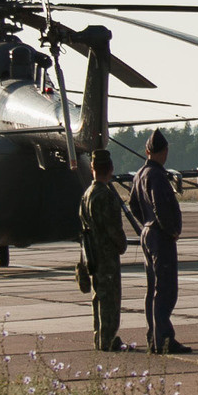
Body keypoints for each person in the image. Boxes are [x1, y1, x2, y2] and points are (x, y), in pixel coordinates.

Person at [127, 132, 183, 354]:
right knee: (165, 289)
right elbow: (160, 206)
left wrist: (146, 224)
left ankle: (154, 336)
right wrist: (171, 230)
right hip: (160, 236)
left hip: (148, 233)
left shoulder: (140, 173)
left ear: (147, 151)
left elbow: (133, 205)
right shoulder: (157, 176)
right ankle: (164, 339)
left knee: (153, 289)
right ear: (164, 151)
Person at [81, 148, 128, 352]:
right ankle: (109, 338)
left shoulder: (86, 195)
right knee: (110, 298)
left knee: (97, 297)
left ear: (92, 168)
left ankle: (99, 336)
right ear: (110, 169)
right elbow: (113, 228)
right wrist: (121, 244)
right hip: (106, 255)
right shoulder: (106, 196)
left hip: (92, 255)